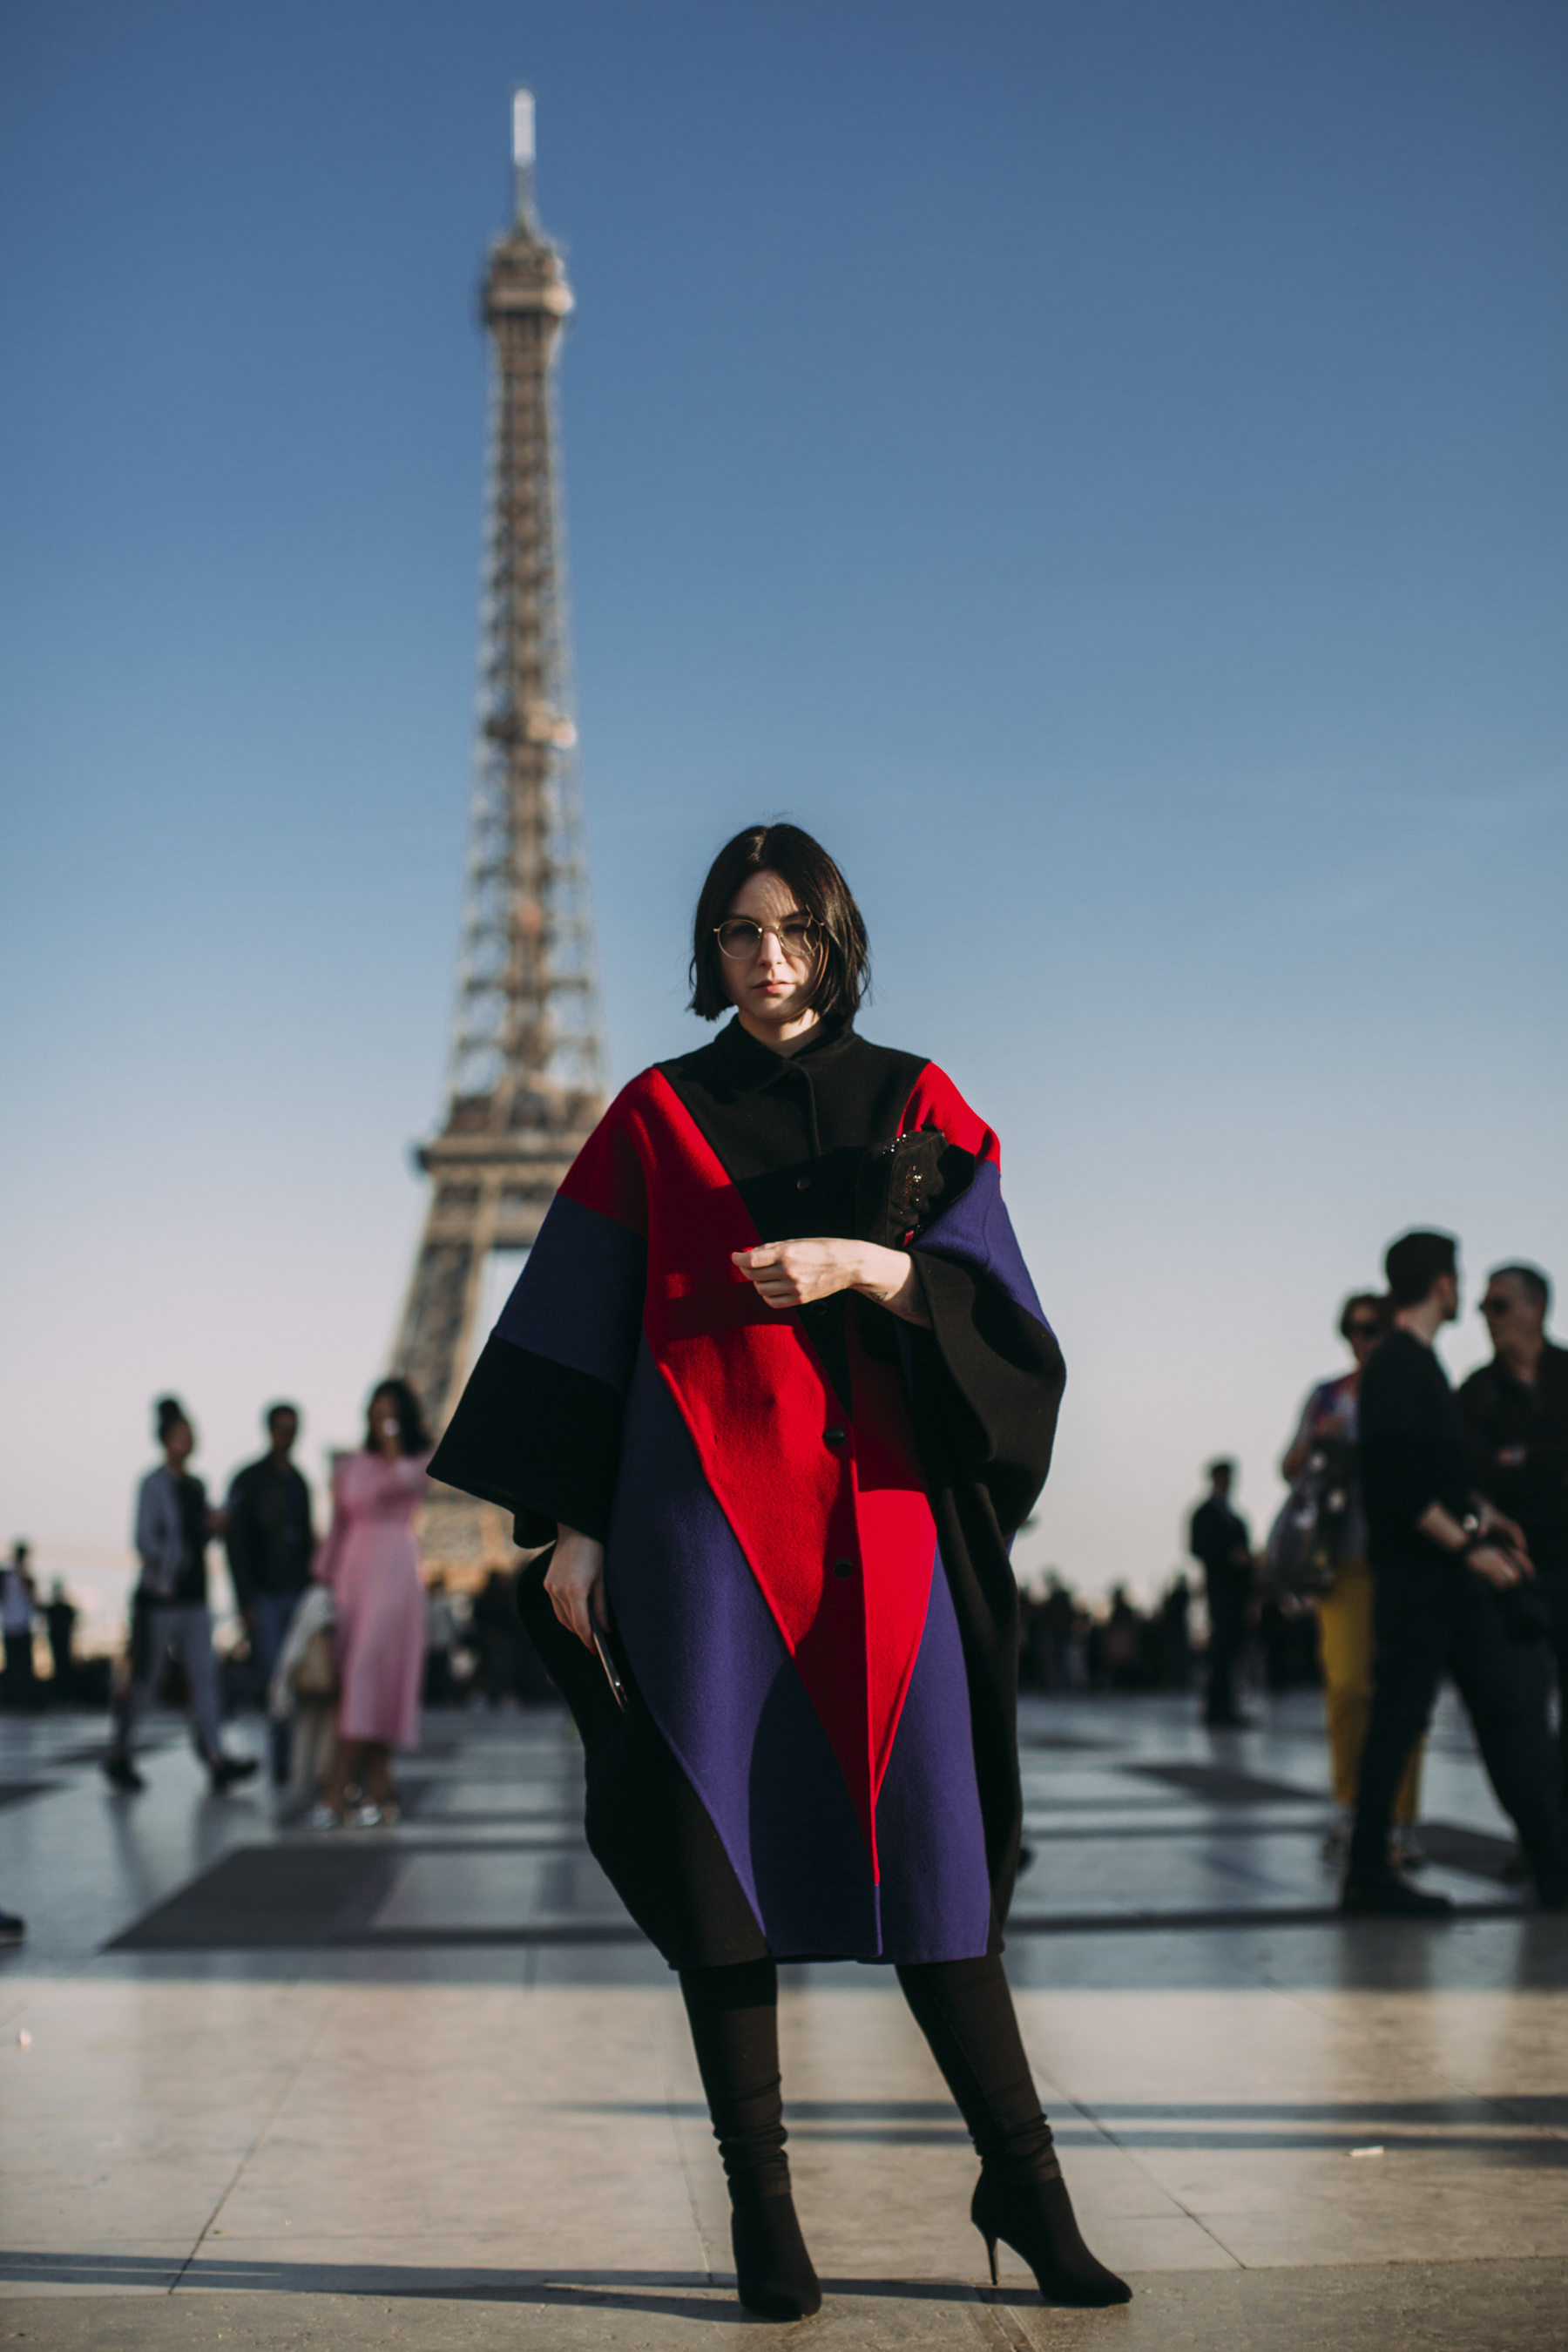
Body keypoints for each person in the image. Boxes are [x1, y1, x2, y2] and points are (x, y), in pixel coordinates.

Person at [429, 822, 1129, 2321]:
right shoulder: (654, 1116)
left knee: (938, 1856)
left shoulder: (919, 1098)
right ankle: (764, 2209)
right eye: (742, 934)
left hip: (879, 1529)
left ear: (838, 937)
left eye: (795, 931)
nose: (770, 960)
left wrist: (859, 1265)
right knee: (720, 1867)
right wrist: (579, 1522)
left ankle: (1025, 2177)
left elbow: (999, 1308)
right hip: (701, 1533)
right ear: (711, 949)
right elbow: (589, 1323)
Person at [1343, 1231, 1567, 1916]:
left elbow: (1442, 1477)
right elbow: (1403, 1485)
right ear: (1442, 1284)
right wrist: (1468, 1545)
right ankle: (1366, 1873)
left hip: (1447, 1585)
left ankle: (1554, 1865)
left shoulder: (1420, 1366)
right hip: (1420, 1583)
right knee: (1399, 1721)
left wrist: (1483, 1515)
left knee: (1504, 1715)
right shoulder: (1398, 1367)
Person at [1281, 1294, 1423, 1862]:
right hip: (1341, 1560)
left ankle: (1400, 1818)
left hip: (1403, 1557)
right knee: (1345, 1687)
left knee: (1401, 1691)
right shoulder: (1327, 1396)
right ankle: (1351, 1806)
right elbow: (1288, 1466)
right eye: (1357, 1330)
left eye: (1376, 1330)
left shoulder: (1414, 1393)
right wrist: (1322, 1438)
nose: (1365, 1340)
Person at [103, 1397, 259, 1795]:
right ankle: (120, 1751)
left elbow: (199, 1534)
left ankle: (216, 1756)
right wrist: (174, 1557)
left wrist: (215, 1527)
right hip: (160, 1597)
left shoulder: (196, 1486)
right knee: (148, 1678)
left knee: (205, 1677)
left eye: (191, 1435)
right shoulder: (153, 1484)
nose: (187, 1442)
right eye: (180, 1435)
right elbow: (143, 1539)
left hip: (195, 1598)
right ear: (165, 1439)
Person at [1459, 1266, 1568, 1819]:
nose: (1487, 1317)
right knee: (1520, 1711)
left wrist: (1518, 1460)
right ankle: (1546, 1834)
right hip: (1513, 1576)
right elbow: (1472, 1474)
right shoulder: (1478, 1392)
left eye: (1498, 1305)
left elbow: (1507, 1469)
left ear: (1536, 1309)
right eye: (1484, 1306)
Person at [310, 1378, 431, 1828]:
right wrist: (322, 1581)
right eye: (376, 1410)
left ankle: (335, 1791)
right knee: (364, 1680)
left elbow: (407, 1482)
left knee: (366, 1676)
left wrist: (394, 1442)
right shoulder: (351, 1465)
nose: (382, 1417)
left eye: (391, 1410)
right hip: (352, 1575)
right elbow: (338, 1523)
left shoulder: (419, 1458)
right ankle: (381, 1793)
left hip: (395, 1573)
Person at [226, 1403, 316, 1785]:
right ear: (269, 1430)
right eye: (281, 1427)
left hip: (295, 1589)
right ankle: (279, 1756)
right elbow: (237, 1545)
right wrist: (244, 1599)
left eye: (292, 1428)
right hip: (264, 1591)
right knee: (273, 1672)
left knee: (286, 1676)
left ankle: (284, 1759)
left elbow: (308, 1538)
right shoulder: (249, 1480)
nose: (286, 1434)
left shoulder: (299, 1481)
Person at [1189, 1461, 1254, 1727]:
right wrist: (1228, 1557)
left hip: (1238, 1592)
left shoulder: (1234, 1516)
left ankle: (1226, 1704)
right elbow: (1197, 1547)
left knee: (1232, 1648)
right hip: (1221, 1590)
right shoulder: (1205, 1514)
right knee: (1221, 1647)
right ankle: (1216, 1706)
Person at [1, 1544, 37, 1710]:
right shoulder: (7, 1575)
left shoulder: (25, 1575)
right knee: (15, 1664)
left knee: (23, 1664)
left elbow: (32, 1596)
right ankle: (13, 1698)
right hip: (12, 1624)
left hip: (22, 1624)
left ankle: (24, 1698)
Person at [44, 1578, 79, 1701]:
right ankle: (63, 1695)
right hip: (57, 1642)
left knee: (65, 1666)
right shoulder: (54, 1608)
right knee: (60, 1667)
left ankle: (67, 1695)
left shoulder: (62, 1608)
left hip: (64, 1642)